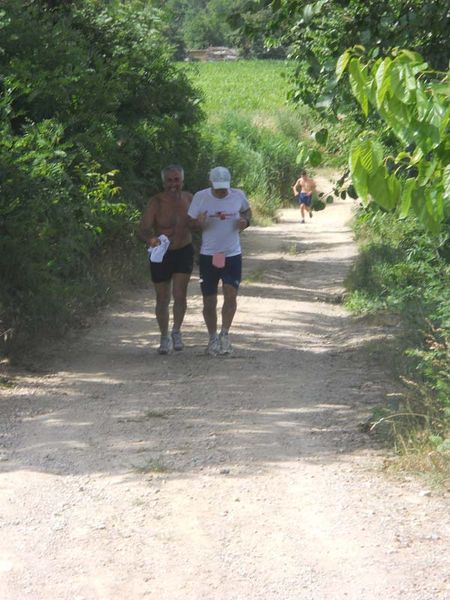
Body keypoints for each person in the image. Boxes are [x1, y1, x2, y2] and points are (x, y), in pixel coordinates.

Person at [188, 166, 251, 356]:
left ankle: (225, 334)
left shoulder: (238, 195)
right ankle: (212, 337)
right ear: (211, 183)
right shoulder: (201, 197)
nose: (222, 191)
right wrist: (198, 223)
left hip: (232, 254)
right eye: (218, 187)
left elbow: (247, 212)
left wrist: (245, 222)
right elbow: (189, 222)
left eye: (224, 187)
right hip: (210, 254)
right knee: (209, 299)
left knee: (230, 295)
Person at [139, 164, 194, 354]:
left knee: (180, 294)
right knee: (162, 297)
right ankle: (164, 336)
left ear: (182, 180)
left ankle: (176, 331)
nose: (173, 184)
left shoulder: (189, 198)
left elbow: (198, 222)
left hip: (184, 250)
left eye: (176, 180)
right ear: (163, 182)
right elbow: (143, 228)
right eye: (169, 180)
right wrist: (150, 239)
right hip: (162, 253)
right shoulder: (156, 202)